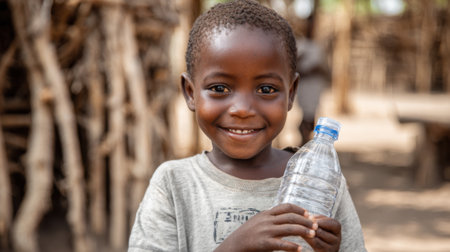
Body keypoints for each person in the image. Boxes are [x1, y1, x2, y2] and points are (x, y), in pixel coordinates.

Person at [128, 1, 366, 251]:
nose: (242, 109)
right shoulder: (174, 185)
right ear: (190, 93)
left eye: (266, 89)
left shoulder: (320, 181)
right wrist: (233, 247)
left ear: (291, 93)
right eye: (219, 89)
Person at [296, 38, 330, 146]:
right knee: (306, 113)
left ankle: (306, 140)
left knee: (310, 114)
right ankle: (303, 139)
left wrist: (317, 69)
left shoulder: (318, 48)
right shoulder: (300, 46)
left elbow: (326, 71)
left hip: (314, 88)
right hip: (304, 87)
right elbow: (293, 68)